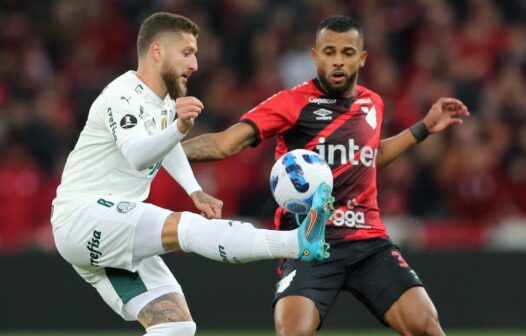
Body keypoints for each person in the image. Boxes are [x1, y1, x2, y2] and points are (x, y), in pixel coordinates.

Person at [182, 15, 469, 335]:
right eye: (329, 51)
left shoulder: (372, 103)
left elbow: (372, 156)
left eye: (347, 53)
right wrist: (166, 152)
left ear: (362, 58)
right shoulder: (292, 103)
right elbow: (225, 144)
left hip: (368, 244)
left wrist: (424, 128)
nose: (337, 61)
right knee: (293, 333)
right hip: (308, 242)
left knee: (427, 326)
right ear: (315, 55)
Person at [50, 12, 333, 336]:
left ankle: (297, 243)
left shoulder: (163, 101)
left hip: (109, 225)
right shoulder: (123, 94)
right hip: (83, 217)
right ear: (157, 51)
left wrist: (193, 190)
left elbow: (165, 147)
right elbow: (139, 154)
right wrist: (179, 128)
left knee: (176, 327)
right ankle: (296, 243)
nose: (195, 63)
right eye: (187, 52)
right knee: (187, 228)